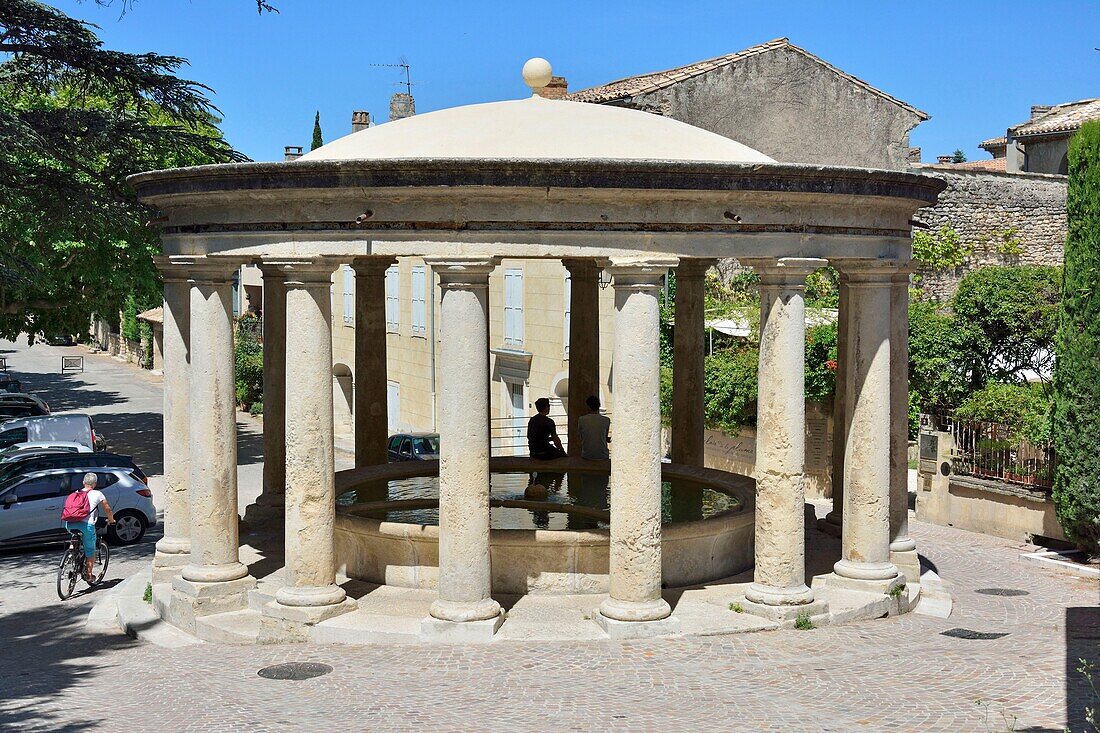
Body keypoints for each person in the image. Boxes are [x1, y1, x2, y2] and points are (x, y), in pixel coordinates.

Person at [63, 473, 115, 580]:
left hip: (69, 524)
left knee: (76, 535)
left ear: (83, 483)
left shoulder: (75, 493)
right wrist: (111, 520)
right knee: (90, 550)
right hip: (86, 526)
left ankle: (72, 550)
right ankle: (89, 575)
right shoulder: (97, 494)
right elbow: (107, 509)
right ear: (95, 484)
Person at [577, 395, 611, 460]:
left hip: (587, 455)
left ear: (588, 406)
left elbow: (581, 436)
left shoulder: (581, 419)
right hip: (603, 455)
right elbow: (605, 437)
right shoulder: (606, 420)